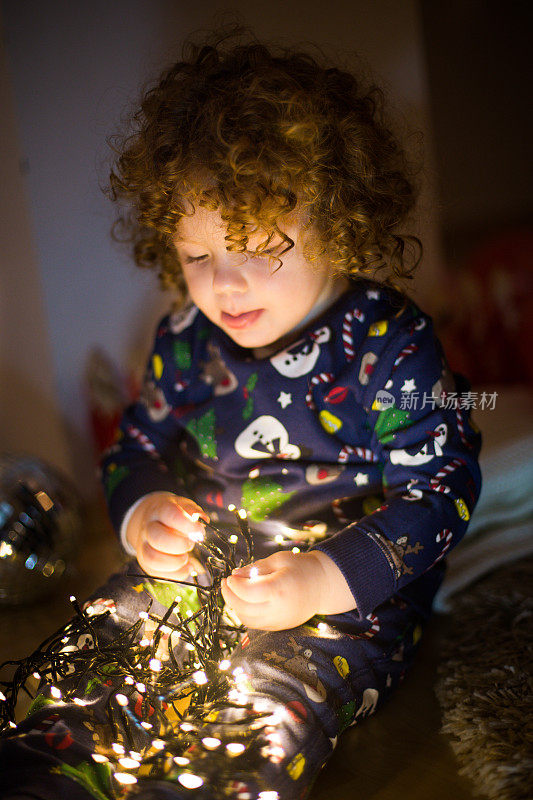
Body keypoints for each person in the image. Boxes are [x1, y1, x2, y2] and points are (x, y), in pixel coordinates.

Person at [0, 31, 482, 800]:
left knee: (260, 711)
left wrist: (323, 579)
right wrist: (143, 514)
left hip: (341, 608)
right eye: (196, 257)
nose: (223, 286)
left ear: (336, 220)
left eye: (256, 247)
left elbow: (440, 492)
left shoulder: (392, 343)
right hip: (194, 578)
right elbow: (136, 447)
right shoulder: (187, 342)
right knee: (95, 663)